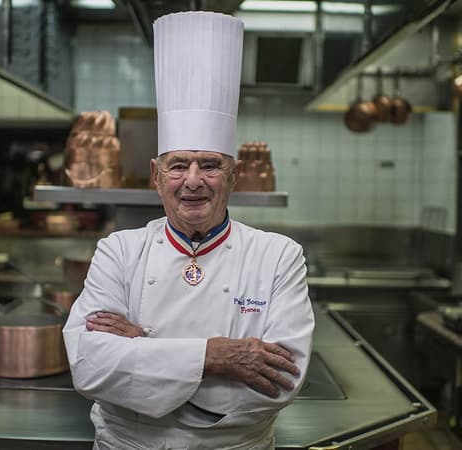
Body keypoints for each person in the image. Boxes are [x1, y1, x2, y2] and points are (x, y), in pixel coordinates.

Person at [62, 11, 315, 450]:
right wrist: (217, 357)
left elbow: (281, 382)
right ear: (157, 175)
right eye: (179, 165)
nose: (194, 180)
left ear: (233, 176)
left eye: (211, 165)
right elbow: (89, 366)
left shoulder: (279, 256)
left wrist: (143, 352)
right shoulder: (118, 250)